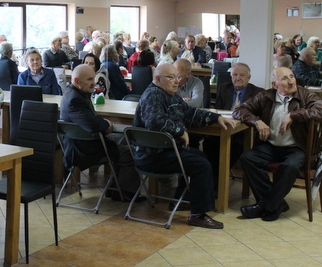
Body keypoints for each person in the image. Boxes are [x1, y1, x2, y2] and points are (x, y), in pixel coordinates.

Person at [133, 63, 238, 229]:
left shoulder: (170, 95)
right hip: (151, 155)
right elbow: (154, 121)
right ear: (158, 79)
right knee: (200, 164)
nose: (176, 81)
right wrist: (180, 130)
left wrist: (216, 118)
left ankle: (185, 200)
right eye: (171, 77)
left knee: (200, 157)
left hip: (165, 151)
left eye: (177, 77)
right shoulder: (153, 95)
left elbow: (190, 113)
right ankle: (198, 215)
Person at [233, 67, 322, 221]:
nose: (291, 81)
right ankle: (275, 204)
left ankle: (267, 205)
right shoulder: (266, 96)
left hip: (297, 147)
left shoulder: (305, 95)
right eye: (284, 79)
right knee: (248, 158)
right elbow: (239, 110)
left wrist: (294, 115)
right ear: (275, 84)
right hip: (270, 146)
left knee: (290, 166)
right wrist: (256, 121)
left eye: (292, 76)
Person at [59, 64, 141, 201]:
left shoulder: (74, 93)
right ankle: (126, 193)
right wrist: (107, 124)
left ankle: (116, 189)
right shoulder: (75, 100)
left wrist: (102, 124)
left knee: (125, 139)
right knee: (130, 152)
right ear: (76, 81)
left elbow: (90, 121)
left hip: (82, 144)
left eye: (93, 78)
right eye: (89, 79)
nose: (94, 83)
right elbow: (93, 125)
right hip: (83, 150)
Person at [205, 63, 264, 187]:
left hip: (244, 131)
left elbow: (257, 116)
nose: (238, 78)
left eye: (242, 75)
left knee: (235, 145)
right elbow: (218, 110)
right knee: (208, 142)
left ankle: (217, 181)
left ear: (249, 77)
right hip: (224, 127)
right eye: (235, 75)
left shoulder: (258, 92)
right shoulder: (223, 88)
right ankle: (212, 178)